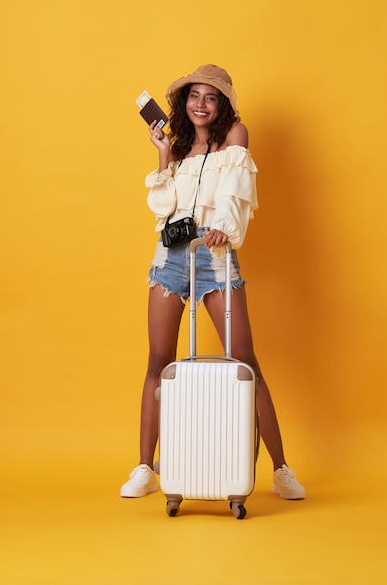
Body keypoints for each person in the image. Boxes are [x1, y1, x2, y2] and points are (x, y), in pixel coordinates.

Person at [120, 64, 305, 501]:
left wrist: (222, 226)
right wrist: (163, 154)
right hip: (171, 261)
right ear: (183, 103)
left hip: (215, 259)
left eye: (211, 97)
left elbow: (232, 193)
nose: (201, 104)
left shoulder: (235, 137)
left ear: (222, 105)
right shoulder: (180, 147)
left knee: (246, 364)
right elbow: (162, 207)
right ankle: (145, 466)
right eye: (193, 96)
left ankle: (280, 469)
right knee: (158, 361)